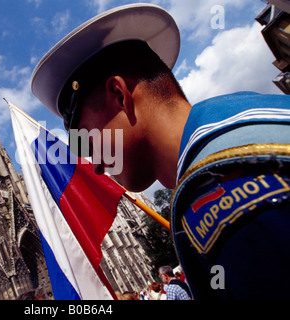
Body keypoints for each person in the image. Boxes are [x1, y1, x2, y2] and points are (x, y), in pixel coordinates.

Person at [31, 3, 290, 300]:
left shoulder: (220, 195)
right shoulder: (247, 118)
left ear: (120, 95)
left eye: (89, 143)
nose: (97, 166)